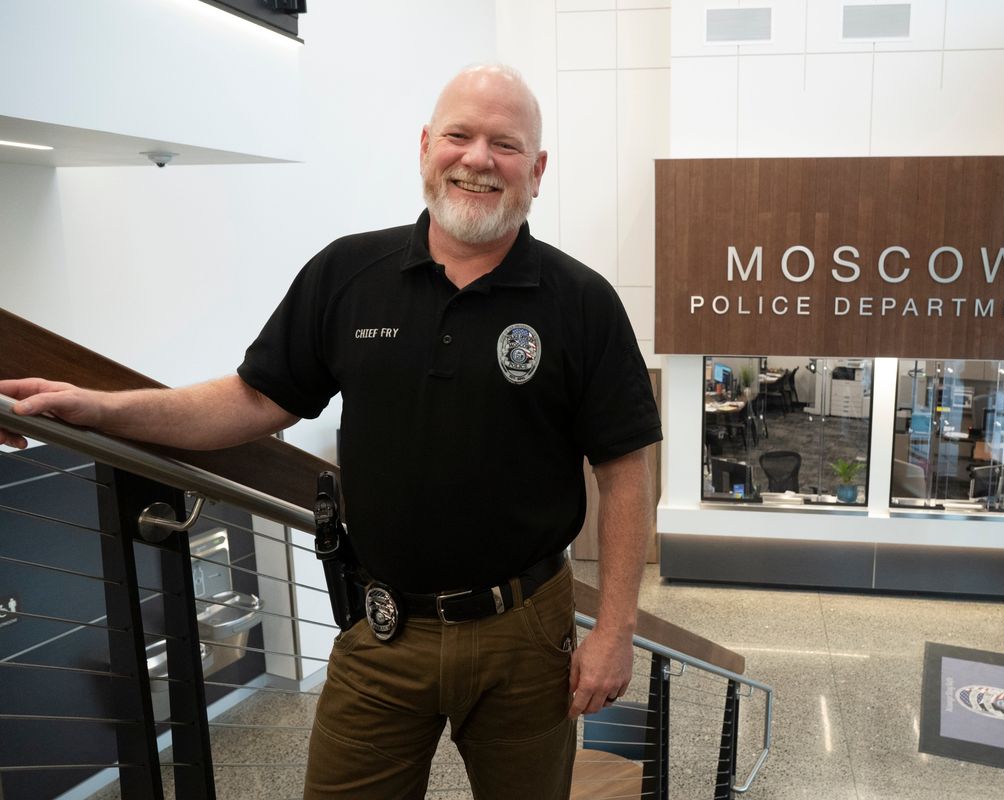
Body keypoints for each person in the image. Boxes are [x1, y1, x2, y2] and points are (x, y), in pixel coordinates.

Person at [0, 64, 661, 800]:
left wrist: (615, 630)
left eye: (505, 145)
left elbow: (625, 469)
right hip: (381, 632)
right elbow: (254, 400)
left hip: (526, 637)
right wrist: (100, 408)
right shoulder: (350, 274)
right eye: (459, 136)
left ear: (537, 170)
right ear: (425, 148)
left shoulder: (582, 303)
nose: (478, 159)